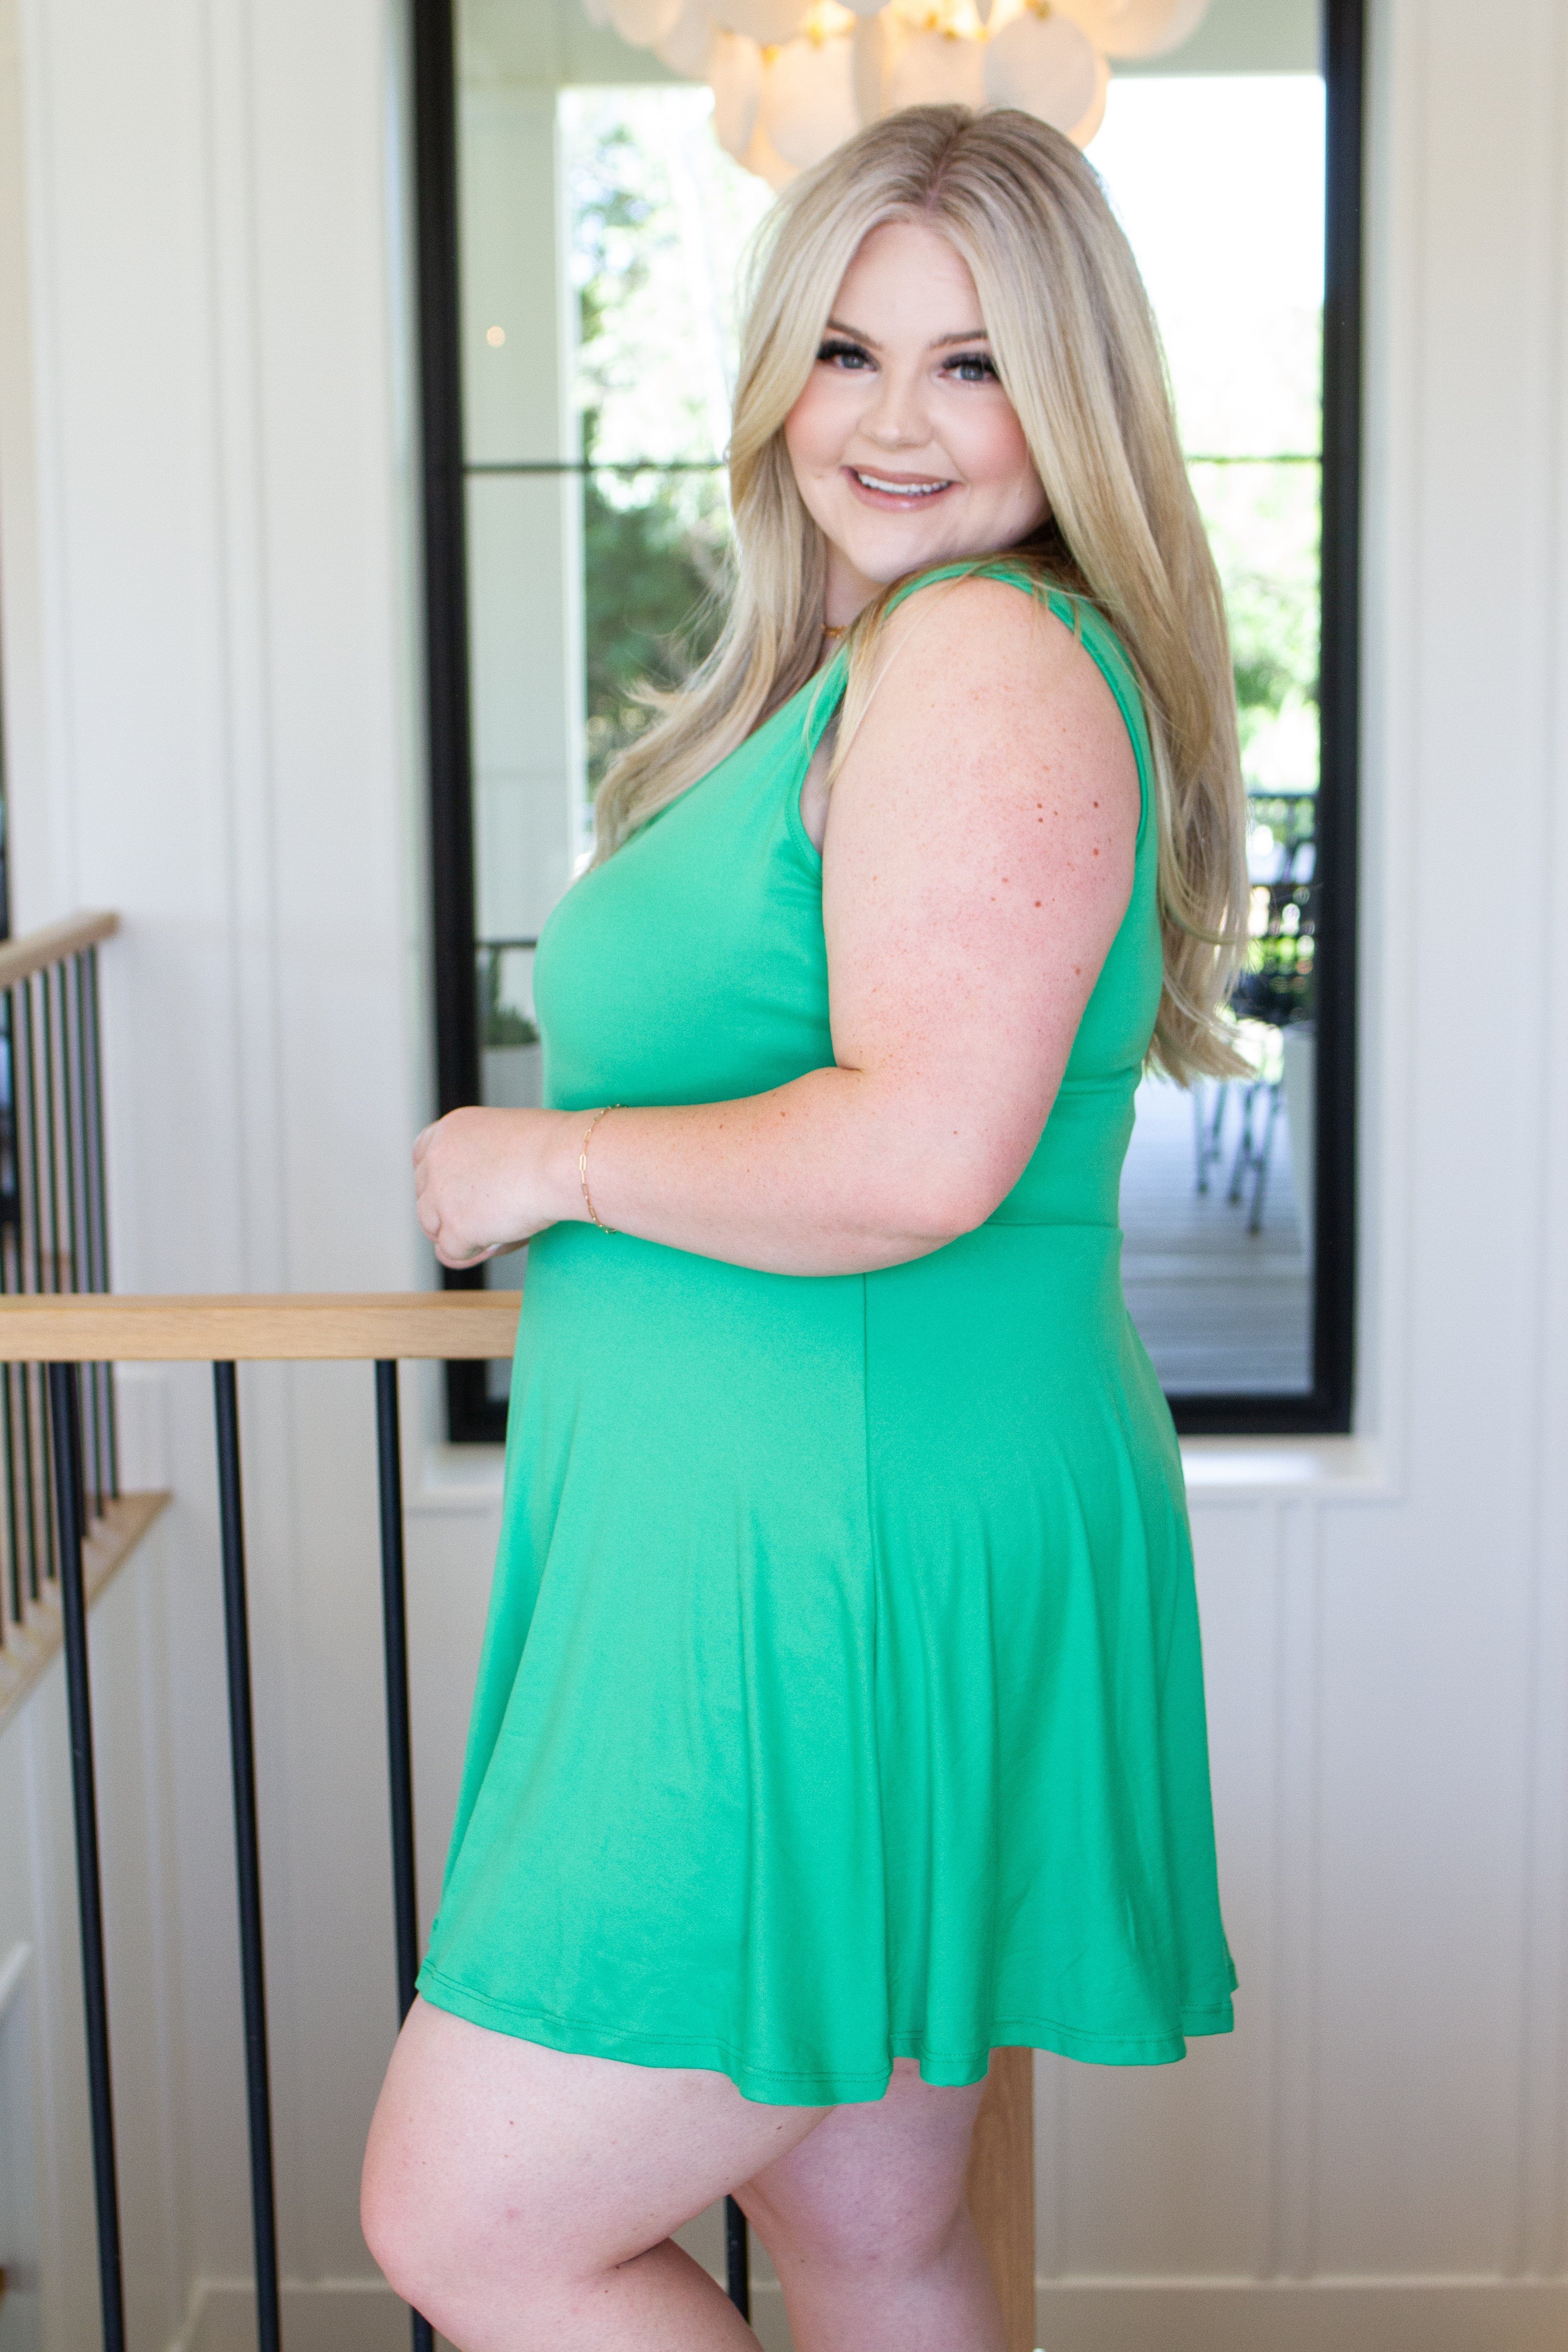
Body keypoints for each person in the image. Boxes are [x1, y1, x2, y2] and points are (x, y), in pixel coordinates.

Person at [363, 102, 1245, 2352]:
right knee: (870, 2241)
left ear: (1083, 395)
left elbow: (919, 1157)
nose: (896, 419)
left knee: (472, 2229)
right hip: (814, 1521)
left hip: (820, 1556)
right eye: (850, 349)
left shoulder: (980, 656)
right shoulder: (864, 667)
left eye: (976, 363)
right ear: (777, 372)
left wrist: (538, 1166)